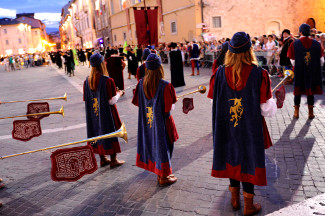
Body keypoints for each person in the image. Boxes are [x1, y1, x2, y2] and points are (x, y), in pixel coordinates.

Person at [209, 32, 276, 215]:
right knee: (248, 161)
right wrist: (274, 100)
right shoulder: (259, 74)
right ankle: (248, 205)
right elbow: (267, 110)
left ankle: (234, 199)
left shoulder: (220, 73)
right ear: (250, 51)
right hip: (250, 129)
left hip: (227, 127)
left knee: (231, 157)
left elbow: (213, 101)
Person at [132, 53, 178, 186]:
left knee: (155, 146)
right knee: (166, 147)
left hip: (148, 123)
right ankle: (164, 177)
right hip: (163, 123)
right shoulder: (165, 85)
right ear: (160, 68)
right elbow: (169, 108)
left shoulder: (141, 83)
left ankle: (162, 173)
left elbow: (139, 103)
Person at [83, 53, 125, 168]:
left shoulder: (87, 81)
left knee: (97, 132)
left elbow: (86, 99)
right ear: (102, 64)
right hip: (106, 113)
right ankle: (113, 159)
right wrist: (119, 94)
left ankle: (102, 159)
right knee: (110, 132)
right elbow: (111, 101)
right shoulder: (107, 80)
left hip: (94, 114)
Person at [288, 24, 324, 119]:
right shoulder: (316, 44)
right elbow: (322, 60)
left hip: (300, 71)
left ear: (300, 32)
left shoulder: (294, 44)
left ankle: (296, 112)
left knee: (298, 91)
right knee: (310, 90)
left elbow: (292, 60)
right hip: (312, 71)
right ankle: (310, 113)